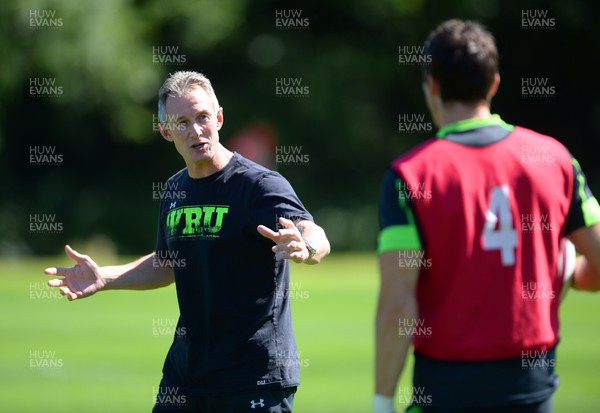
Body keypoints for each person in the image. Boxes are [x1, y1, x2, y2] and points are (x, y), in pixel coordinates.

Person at [44, 71, 330, 413]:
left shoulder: (259, 186)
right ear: (166, 131)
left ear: (219, 117)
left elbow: (314, 232)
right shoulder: (174, 189)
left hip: (254, 375)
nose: (195, 130)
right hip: (187, 376)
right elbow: (166, 264)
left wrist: (306, 247)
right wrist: (105, 277)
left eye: (202, 117)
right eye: (182, 122)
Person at [374, 19, 600, 413]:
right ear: (494, 83)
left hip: (447, 388)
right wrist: (567, 274)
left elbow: (398, 302)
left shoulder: (410, 175)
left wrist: (381, 400)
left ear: (432, 85)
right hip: (532, 385)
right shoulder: (555, 158)